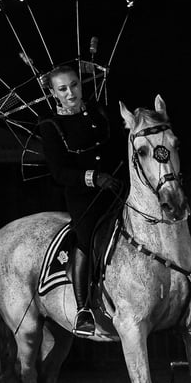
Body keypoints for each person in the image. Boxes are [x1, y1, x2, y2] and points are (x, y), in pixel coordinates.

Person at [38, 65, 126, 336]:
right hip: (84, 197)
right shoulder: (51, 125)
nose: (71, 93)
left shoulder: (99, 111)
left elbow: (118, 145)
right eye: (63, 89)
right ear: (53, 93)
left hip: (117, 187)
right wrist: (93, 178)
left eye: (74, 85)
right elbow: (59, 172)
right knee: (85, 238)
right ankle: (83, 307)